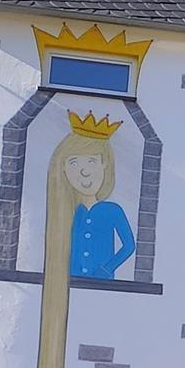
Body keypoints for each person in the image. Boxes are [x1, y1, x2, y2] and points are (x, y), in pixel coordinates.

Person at [50, 112, 135, 280]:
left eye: (91, 162)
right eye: (74, 163)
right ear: (64, 168)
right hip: (70, 279)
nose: (84, 171)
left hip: (102, 283)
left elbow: (129, 246)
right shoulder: (68, 209)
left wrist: (107, 269)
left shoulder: (112, 210)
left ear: (104, 164)